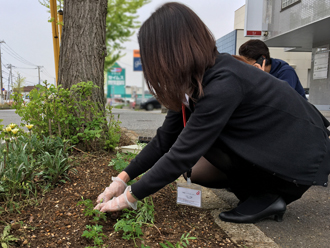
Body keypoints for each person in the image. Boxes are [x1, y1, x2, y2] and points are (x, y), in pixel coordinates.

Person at [95, 2, 330, 224]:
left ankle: (269, 196)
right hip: (275, 149)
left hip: (300, 160)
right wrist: (121, 179)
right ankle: (254, 189)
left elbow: (182, 153)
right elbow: (164, 140)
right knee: (196, 168)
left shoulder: (223, 80)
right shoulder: (195, 80)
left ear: (169, 53)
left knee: (205, 142)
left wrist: (129, 198)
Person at [239, 39, 308, 100]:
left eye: (248, 60)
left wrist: (261, 77)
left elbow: (280, 99)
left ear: (262, 59)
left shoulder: (286, 72)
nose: (245, 65)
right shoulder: (252, 74)